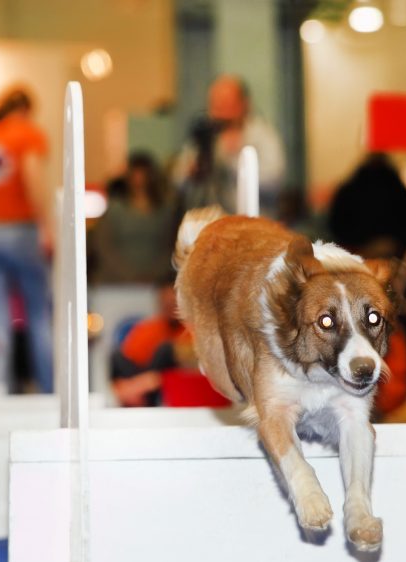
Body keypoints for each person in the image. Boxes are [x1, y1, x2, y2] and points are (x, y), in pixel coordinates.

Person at [0, 85, 54, 393]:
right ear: (27, 110)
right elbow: (31, 176)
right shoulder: (28, 134)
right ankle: (49, 389)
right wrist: (46, 226)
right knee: (39, 314)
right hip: (19, 229)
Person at [173, 75, 285, 216]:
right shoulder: (205, 135)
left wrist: (232, 160)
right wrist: (192, 170)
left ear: (244, 104)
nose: (219, 111)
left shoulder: (262, 135)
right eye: (214, 104)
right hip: (213, 223)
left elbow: (274, 182)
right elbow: (177, 180)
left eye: (226, 104)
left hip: (255, 223)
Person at [90, 151, 175, 284]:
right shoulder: (115, 209)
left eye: (143, 175)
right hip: (116, 282)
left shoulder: (165, 210)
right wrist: (128, 275)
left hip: (154, 282)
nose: (139, 180)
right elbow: (103, 245)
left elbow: (169, 246)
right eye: (135, 175)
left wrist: (153, 275)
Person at [110, 274, 192, 407]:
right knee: (116, 356)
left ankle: (139, 389)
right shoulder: (146, 329)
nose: (170, 306)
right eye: (166, 303)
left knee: (166, 350)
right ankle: (139, 389)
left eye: (173, 303)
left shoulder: (191, 331)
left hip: (169, 384)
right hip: (144, 382)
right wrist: (135, 384)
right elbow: (127, 361)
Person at [326, 153, 406, 259]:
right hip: (390, 250)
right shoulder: (398, 190)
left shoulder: (349, 188)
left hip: (356, 249)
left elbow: (337, 224)